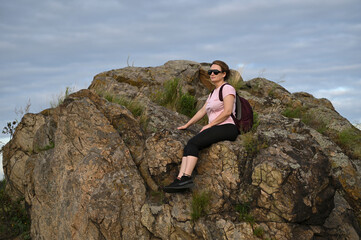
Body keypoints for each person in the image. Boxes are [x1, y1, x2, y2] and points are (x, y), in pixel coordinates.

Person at [163, 60, 239, 193]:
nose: (212, 74)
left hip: (228, 127)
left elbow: (227, 112)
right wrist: (187, 124)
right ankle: (179, 180)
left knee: (194, 143)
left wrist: (209, 125)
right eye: (210, 72)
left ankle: (186, 177)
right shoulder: (213, 93)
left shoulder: (227, 88)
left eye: (216, 72)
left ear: (224, 74)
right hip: (217, 127)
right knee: (189, 145)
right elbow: (202, 111)